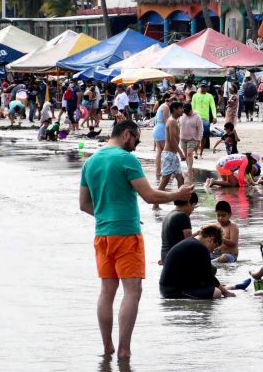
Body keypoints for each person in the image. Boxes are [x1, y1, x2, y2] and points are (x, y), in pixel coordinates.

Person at [79, 120, 194, 358]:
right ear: (126, 135)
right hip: (126, 235)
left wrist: (109, 216)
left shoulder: (90, 162)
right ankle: (124, 349)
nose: (136, 146)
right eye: (137, 140)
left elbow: (84, 204)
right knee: (132, 290)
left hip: (102, 235)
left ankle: (107, 347)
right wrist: (177, 194)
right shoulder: (125, 158)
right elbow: (150, 196)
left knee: (107, 291)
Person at [159, 225, 236, 300]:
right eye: (215, 247)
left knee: (213, 272)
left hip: (167, 288)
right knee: (216, 292)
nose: (212, 251)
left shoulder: (191, 242)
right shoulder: (200, 248)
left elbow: (201, 273)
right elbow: (208, 277)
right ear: (212, 239)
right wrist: (225, 292)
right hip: (173, 291)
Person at [153, 102, 187, 210]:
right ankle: (155, 203)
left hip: (172, 155)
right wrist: (181, 152)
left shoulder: (175, 121)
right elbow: (172, 139)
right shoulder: (172, 121)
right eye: (180, 108)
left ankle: (181, 203)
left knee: (180, 179)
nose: (182, 110)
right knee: (165, 181)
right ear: (175, 109)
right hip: (169, 155)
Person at [158, 192, 199, 268]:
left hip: (165, 258)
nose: (193, 210)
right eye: (194, 206)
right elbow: (189, 243)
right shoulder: (183, 216)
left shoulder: (169, 215)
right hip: (176, 259)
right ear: (189, 203)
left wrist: (197, 233)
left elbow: (179, 239)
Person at [179, 103, 203, 183]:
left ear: (191, 109)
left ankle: (189, 170)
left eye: (187, 112)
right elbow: (179, 126)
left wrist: (199, 140)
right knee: (186, 156)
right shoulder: (182, 115)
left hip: (193, 139)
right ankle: (190, 168)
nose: (186, 113)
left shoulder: (197, 117)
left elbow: (200, 129)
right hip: (183, 138)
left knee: (189, 154)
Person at [192, 82, 216, 157]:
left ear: (207, 88)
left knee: (204, 136)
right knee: (195, 136)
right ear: (200, 87)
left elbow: (213, 107)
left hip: (206, 119)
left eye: (205, 87)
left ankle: (201, 153)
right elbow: (193, 107)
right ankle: (195, 152)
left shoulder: (210, 96)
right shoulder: (195, 96)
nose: (203, 88)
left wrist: (214, 116)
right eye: (202, 87)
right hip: (196, 117)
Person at [152, 99, 169, 184]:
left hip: (157, 128)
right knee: (166, 151)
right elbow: (166, 121)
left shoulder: (161, 106)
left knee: (159, 151)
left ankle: (158, 172)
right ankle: (167, 171)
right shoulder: (165, 107)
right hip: (162, 129)